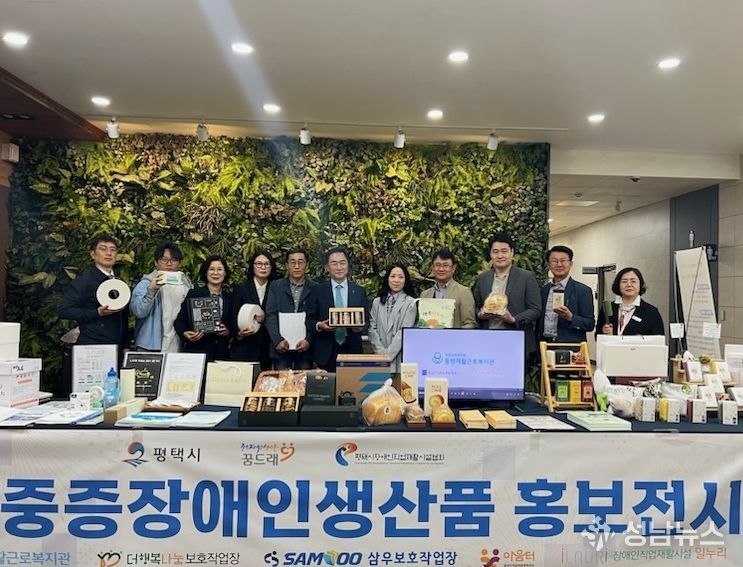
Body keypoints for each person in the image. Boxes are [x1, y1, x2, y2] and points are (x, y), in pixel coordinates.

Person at [473, 233, 541, 358]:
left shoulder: (526, 277)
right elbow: (476, 305)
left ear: (512, 252)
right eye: (495, 252)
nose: (500, 256)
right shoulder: (483, 278)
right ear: (490, 254)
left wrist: (514, 319)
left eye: (504, 251)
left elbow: (536, 309)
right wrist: (480, 314)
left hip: (517, 341)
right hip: (488, 340)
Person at [58, 234, 129, 349]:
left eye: (112, 250)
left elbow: (123, 318)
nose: (109, 253)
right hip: (92, 346)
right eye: (103, 249)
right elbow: (64, 310)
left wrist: (125, 345)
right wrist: (96, 312)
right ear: (93, 254)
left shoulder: (119, 282)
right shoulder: (84, 281)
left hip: (117, 346)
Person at [307, 246, 369, 371]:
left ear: (348, 265)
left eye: (342, 263)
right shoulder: (317, 291)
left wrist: (360, 327)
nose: (339, 267)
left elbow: (367, 320)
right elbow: (309, 320)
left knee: (351, 383)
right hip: (326, 351)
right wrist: (320, 326)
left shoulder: (359, 291)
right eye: (334, 263)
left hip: (352, 349)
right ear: (327, 267)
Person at [130, 242, 193, 352]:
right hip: (150, 346)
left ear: (179, 263)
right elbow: (138, 312)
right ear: (156, 262)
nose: (169, 264)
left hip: (178, 344)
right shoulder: (146, 283)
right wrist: (151, 291)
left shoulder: (186, 285)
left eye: (174, 260)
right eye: (164, 260)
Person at [265, 248, 317, 370]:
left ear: (307, 265)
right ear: (286, 265)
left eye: (300, 262)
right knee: (282, 380)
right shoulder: (275, 287)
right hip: (281, 349)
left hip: (305, 350)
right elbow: (270, 315)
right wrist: (277, 340)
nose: (296, 266)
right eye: (292, 262)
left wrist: (308, 340)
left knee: (303, 381)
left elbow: (317, 317)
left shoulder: (315, 288)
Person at [174, 255, 232, 362]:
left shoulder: (230, 298)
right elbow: (180, 321)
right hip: (197, 351)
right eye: (211, 269)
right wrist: (185, 333)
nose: (215, 273)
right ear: (206, 272)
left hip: (221, 354)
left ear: (225, 273)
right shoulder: (194, 294)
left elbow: (234, 324)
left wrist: (228, 331)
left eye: (219, 269)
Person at [230, 250, 277, 369]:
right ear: (253, 266)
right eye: (259, 264)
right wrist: (239, 333)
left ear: (271, 267)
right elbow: (233, 316)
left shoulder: (276, 288)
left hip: (268, 348)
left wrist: (266, 317)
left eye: (266, 264)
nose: (263, 267)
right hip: (244, 347)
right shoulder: (241, 288)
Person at [538, 245, 595, 343]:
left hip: (570, 347)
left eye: (563, 260)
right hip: (544, 345)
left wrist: (571, 317)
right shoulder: (544, 290)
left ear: (571, 264)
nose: (559, 264)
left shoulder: (583, 290)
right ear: (548, 264)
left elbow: (590, 324)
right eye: (554, 261)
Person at [368, 263, 418, 372]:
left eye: (400, 277)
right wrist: (380, 353)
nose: (396, 280)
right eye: (393, 276)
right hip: (378, 359)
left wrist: (388, 356)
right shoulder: (377, 302)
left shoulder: (411, 303)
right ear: (387, 279)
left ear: (405, 280)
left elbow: (403, 332)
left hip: (399, 359)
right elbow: (372, 329)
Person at [598, 267, 664, 336]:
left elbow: (658, 338)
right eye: (624, 281)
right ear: (618, 285)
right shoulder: (608, 308)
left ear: (640, 284)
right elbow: (598, 334)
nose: (629, 285)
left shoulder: (651, 312)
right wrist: (604, 333)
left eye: (633, 281)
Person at [419, 248, 476, 328]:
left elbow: (469, 323)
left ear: (453, 268)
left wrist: (451, 334)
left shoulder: (463, 292)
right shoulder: (425, 295)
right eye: (438, 265)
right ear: (432, 267)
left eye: (445, 265)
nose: (441, 269)